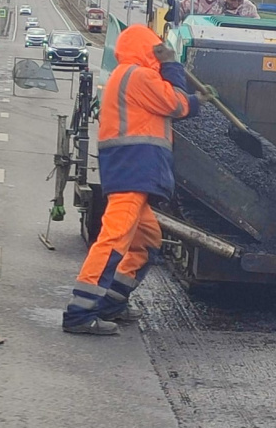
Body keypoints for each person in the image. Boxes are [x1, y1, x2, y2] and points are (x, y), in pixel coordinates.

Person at [62, 24, 207, 336]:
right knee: (114, 239)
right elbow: (176, 104)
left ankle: (112, 302)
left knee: (146, 240)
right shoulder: (139, 76)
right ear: (148, 49)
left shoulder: (126, 75)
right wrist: (176, 71)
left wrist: (190, 95)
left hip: (131, 169)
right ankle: (80, 313)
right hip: (133, 170)